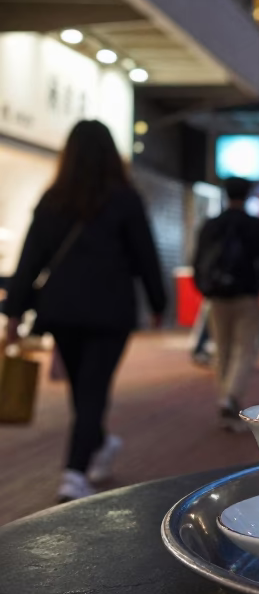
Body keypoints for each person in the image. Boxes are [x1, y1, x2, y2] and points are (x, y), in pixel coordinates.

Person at [2, 120, 166, 501]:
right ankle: (81, 465)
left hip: (62, 310)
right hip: (111, 310)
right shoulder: (125, 198)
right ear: (111, 155)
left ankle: (88, 458)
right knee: (90, 390)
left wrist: (13, 313)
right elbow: (146, 254)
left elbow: (31, 260)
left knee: (85, 389)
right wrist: (158, 303)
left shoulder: (53, 199)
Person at [193, 177, 259, 430]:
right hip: (248, 295)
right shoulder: (256, 225)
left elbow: (198, 258)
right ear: (247, 196)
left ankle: (225, 401)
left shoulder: (212, 225)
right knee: (244, 349)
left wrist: (203, 287)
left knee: (222, 349)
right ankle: (230, 397)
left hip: (216, 296)